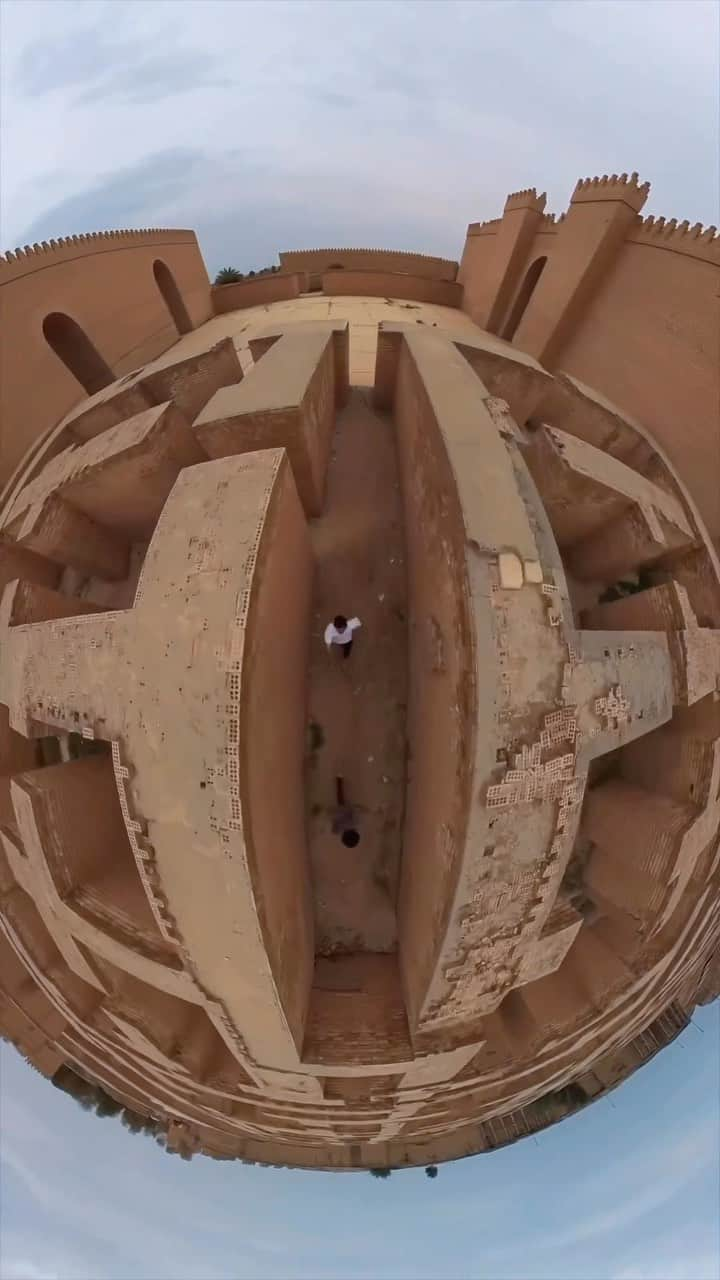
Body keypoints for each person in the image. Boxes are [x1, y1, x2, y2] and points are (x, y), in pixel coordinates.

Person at [332, 777, 360, 847]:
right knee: (340, 795)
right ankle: (339, 781)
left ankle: (339, 780)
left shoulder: (355, 823)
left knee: (341, 795)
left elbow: (354, 812)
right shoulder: (339, 830)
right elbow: (334, 827)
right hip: (339, 810)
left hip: (344, 809)